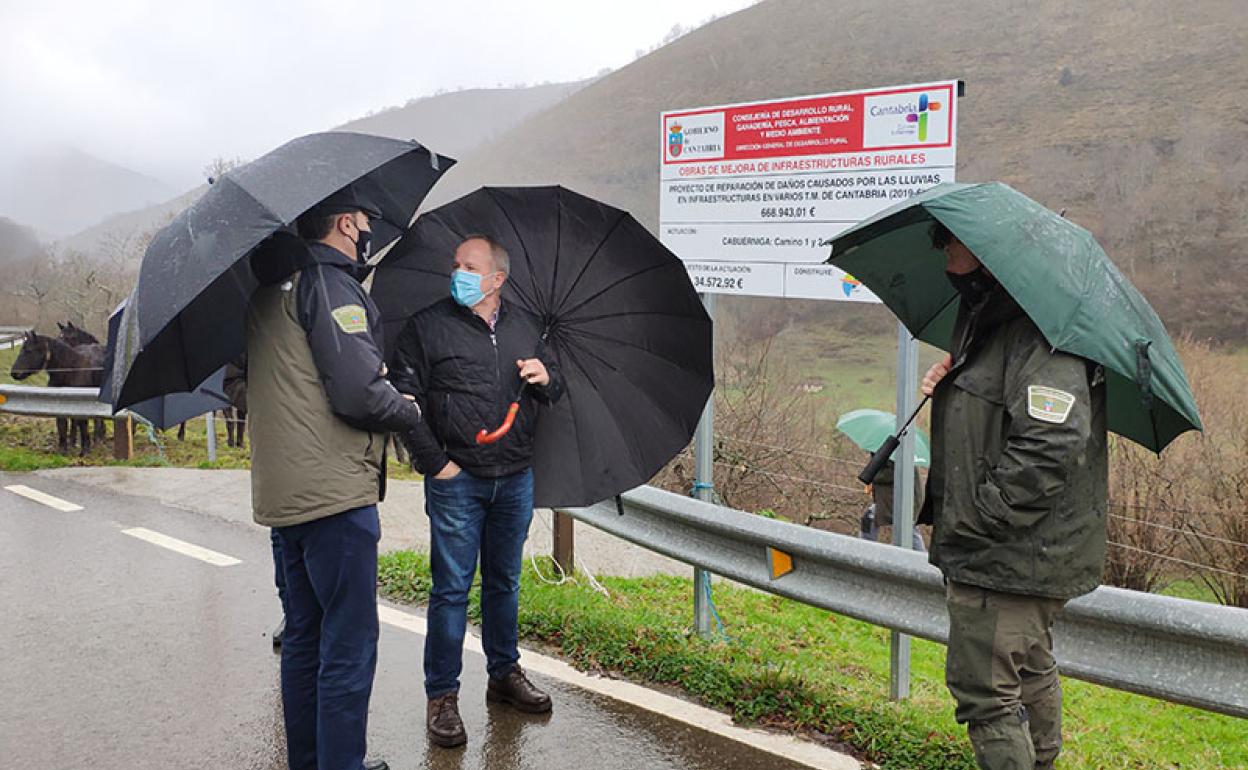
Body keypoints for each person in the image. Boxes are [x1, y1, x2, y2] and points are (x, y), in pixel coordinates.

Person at [918, 222, 1108, 770]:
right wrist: (952, 382)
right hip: (1013, 551)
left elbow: (1052, 440)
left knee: (986, 694)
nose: (941, 250)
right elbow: (999, 415)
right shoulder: (990, 325)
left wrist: (983, 516)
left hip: (1010, 553)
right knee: (1027, 672)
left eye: (945, 239)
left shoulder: (1035, 333)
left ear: (983, 249)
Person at [246, 188, 424, 770]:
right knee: (347, 645)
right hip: (332, 497)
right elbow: (356, 393)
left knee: (303, 637)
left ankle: (315, 761)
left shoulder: (268, 292)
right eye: (366, 219)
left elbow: (242, 386)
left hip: (282, 495)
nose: (369, 227)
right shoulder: (331, 284)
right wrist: (408, 409)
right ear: (346, 223)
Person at [391, 234, 564, 749]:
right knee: (450, 590)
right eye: (456, 264)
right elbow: (404, 403)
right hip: (457, 481)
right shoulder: (426, 327)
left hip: (514, 478)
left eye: (470, 266)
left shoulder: (527, 328)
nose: (458, 272)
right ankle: (441, 696)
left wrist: (546, 377)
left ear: (497, 279)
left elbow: (556, 391)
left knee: (504, 583)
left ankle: (503, 674)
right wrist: (437, 464)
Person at [858, 457, 925, 551]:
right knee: (909, 529)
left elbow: (894, 471)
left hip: (904, 497)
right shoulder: (890, 448)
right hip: (895, 498)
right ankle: (864, 552)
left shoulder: (895, 448)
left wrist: (872, 474)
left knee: (908, 529)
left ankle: (864, 552)